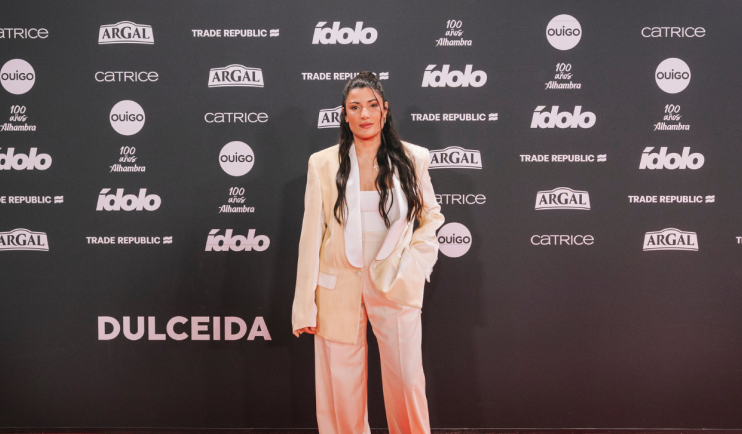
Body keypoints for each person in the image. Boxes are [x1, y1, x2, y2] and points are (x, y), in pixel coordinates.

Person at [291, 71, 444, 434]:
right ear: (344, 115)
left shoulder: (414, 158)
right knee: (341, 390)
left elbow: (431, 217)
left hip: (395, 282)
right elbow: (311, 236)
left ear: (384, 110)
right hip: (336, 287)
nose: (364, 114)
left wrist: (415, 263)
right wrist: (304, 305)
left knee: (406, 382)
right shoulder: (323, 163)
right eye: (354, 107)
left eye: (372, 106)